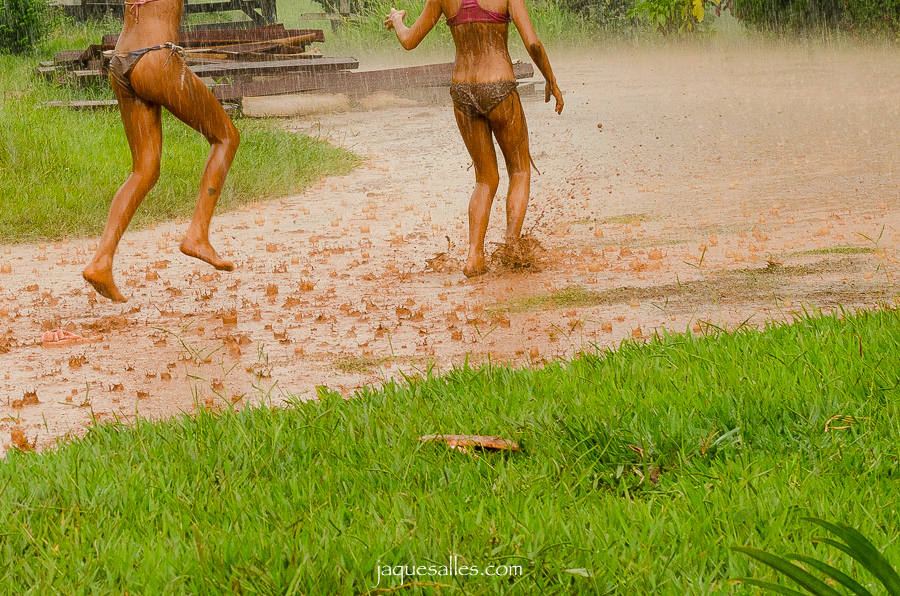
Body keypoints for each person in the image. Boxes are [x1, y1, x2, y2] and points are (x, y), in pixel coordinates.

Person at [385, 0, 563, 277]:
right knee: (519, 170)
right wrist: (550, 80)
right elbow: (534, 44)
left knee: (484, 178)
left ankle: (474, 256)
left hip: (462, 92)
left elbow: (409, 41)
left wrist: (397, 20)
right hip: (499, 87)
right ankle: (512, 248)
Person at [82, 0, 240, 302]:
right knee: (226, 138)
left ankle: (101, 261)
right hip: (155, 59)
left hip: (122, 59)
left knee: (144, 169)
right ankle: (198, 235)